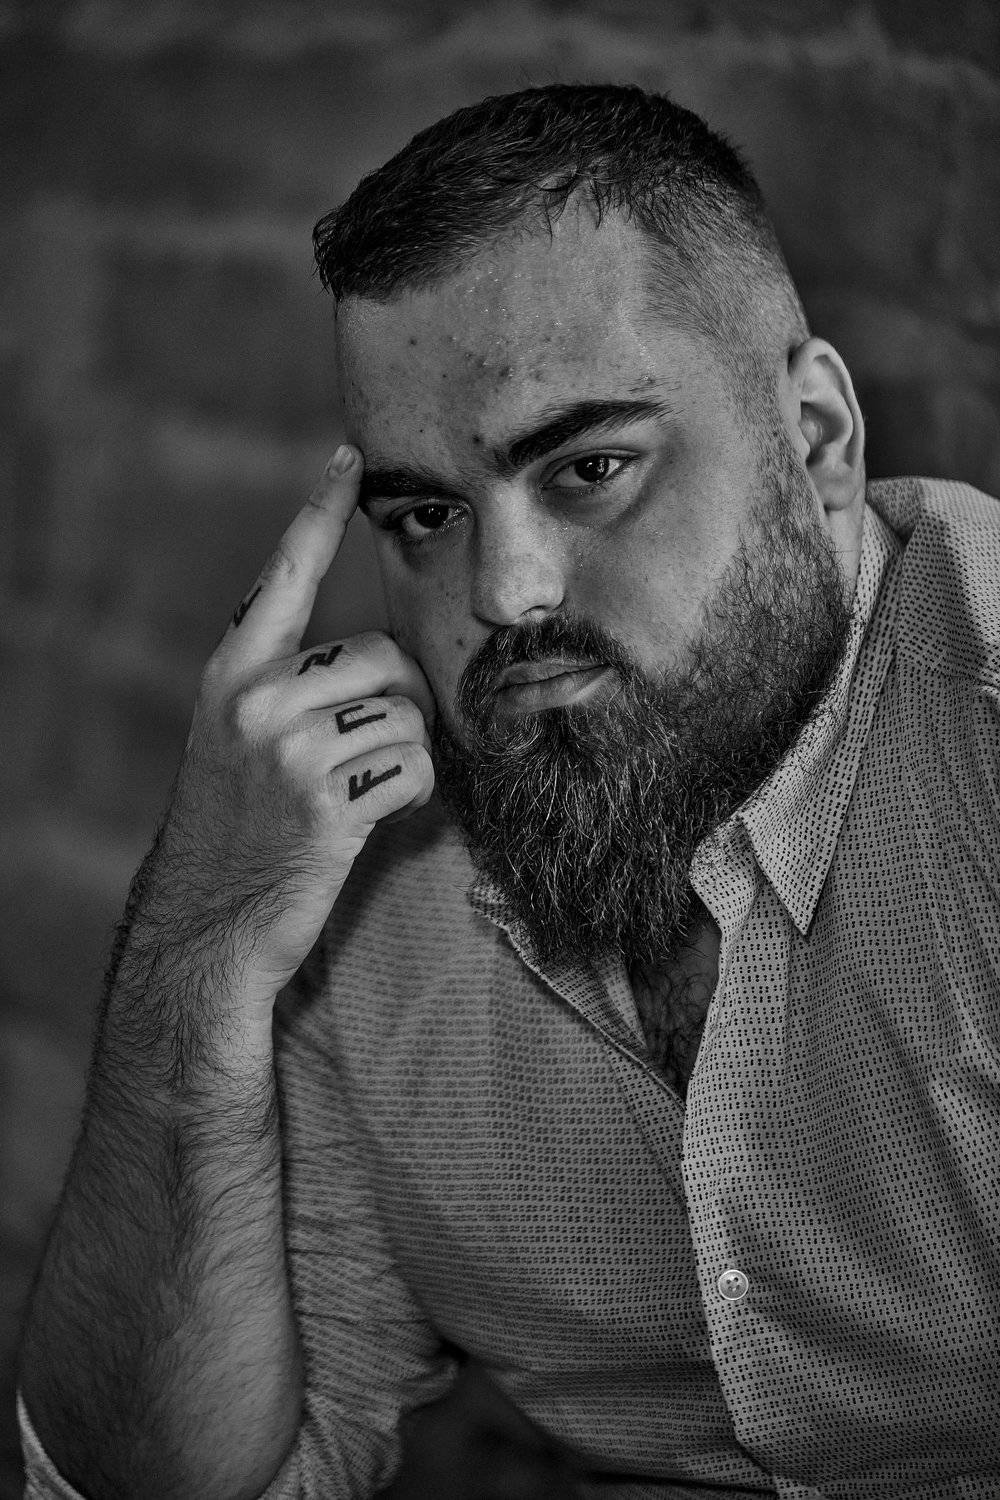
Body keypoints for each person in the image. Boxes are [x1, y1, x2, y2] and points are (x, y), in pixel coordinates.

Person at [16, 82, 1000, 1500]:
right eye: (427, 514)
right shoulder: (371, 873)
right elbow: (163, 1486)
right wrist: (203, 939)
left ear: (818, 437)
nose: (505, 592)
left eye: (592, 468)